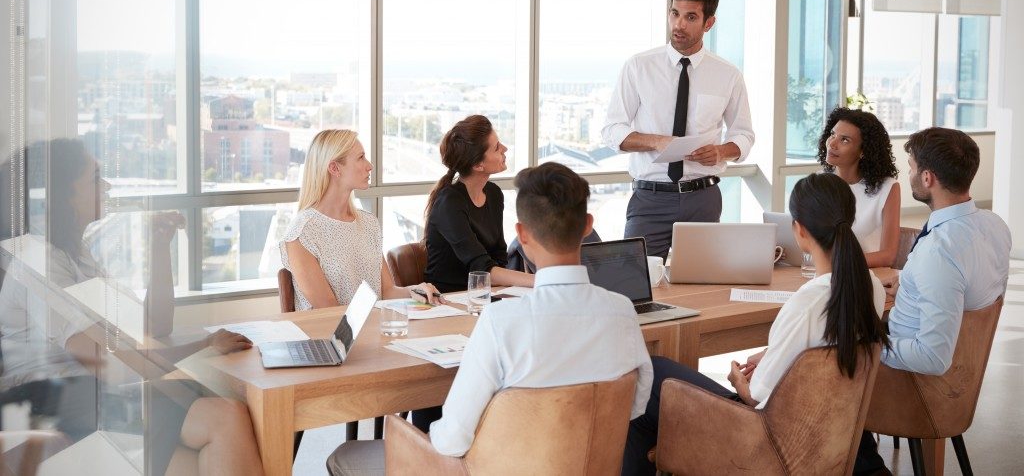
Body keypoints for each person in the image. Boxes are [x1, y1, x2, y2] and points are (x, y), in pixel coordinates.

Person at [327, 162, 653, 475]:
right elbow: (635, 405)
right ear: (587, 225)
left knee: (347, 456)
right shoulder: (622, 312)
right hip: (589, 466)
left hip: (497, 469)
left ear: (522, 235)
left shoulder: (502, 322)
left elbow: (450, 440)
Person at [0, 139, 264, 476]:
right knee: (227, 416)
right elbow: (109, 363)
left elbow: (153, 326)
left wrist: (159, 247)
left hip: (92, 394)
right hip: (54, 403)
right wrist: (203, 347)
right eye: (95, 178)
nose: (107, 185)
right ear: (62, 195)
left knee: (212, 454)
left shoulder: (75, 254)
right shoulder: (38, 261)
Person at [622, 172, 888, 476]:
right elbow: (822, 351)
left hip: (768, 441)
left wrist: (738, 380)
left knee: (646, 376)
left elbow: (756, 396)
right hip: (824, 432)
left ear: (799, 230)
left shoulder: (807, 303)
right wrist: (778, 355)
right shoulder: (871, 286)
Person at [855, 128, 1011, 473]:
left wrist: (868, 345)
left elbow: (932, 356)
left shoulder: (939, 251)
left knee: (825, 355)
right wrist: (908, 285)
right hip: (958, 375)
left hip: (916, 389)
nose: (908, 174)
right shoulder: (994, 225)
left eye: (910, 167)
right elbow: (961, 290)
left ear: (928, 177)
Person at [601, 0, 755, 260]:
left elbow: (744, 134)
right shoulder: (639, 67)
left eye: (690, 17)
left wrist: (722, 151)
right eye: (675, 14)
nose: (679, 25)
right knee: (636, 282)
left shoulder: (727, 75)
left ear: (709, 23)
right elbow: (612, 130)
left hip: (703, 199)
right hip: (650, 198)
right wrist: (657, 142)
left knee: (701, 286)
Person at [280, 129, 443, 309]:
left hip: (373, 330)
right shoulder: (302, 234)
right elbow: (329, 311)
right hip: (332, 335)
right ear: (334, 168)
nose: (370, 165)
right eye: (360, 157)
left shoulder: (368, 223)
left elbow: (387, 292)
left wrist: (416, 290)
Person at [422, 115, 534, 293]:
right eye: (497, 148)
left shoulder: (493, 193)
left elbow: (498, 255)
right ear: (478, 165)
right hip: (448, 299)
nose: (505, 149)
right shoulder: (449, 203)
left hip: (485, 293)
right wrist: (541, 280)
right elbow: (481, 268)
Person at [817, 106, 901, 268]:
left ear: (863, 151)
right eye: (832, 134)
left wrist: (838, 262)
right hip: (823, 273)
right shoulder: (820, 182)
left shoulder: (888, 188)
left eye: (844, 140)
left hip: (865, 278)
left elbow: (888, 256)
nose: (832, 143)